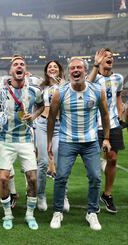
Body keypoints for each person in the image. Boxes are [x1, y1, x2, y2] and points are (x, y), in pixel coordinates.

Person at [48, 57, 111, 231]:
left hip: (90, 142)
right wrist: (48, 142)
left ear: (85, 70)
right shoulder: (60, 92)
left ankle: (92, 212)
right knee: (60, 177)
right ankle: (58, 211)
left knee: (96, 177)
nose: (76, 70)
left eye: (79, 68)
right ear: (69, 72)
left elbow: (105, 115)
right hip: (67, 141)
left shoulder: (97, 91)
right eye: (73, 68)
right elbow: (51, 118)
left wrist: (106, 138)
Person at [0, 55, 44, 230]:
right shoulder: (1, 90)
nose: (19, 66)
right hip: (5, 139)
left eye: (22, 64)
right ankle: (7, 214)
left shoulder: (34, 91)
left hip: (25, 140)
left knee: (32, 178)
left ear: (26, 70)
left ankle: (29, 215)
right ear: (10, 71)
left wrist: (35, 115)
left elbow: (41, 105)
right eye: (15, 64)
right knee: (3, 179)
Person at [90, 48, 125, 214]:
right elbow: (86, 85)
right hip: (93, 125)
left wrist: (120, 113)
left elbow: (118, 97)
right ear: (100, 60)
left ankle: (107, 194)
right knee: (93, 164)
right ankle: (94, 196)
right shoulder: (94, 78)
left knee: (112, 158)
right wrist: (95, 65)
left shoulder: (118, 78)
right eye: (106, 56)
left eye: (111, 56)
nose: (109, 58)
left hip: (113, 124)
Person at [34, 60, 68, 212]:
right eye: (49, 67)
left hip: (60, 126)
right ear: (46, 71)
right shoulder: (41, 87)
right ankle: (40, 195)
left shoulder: (67, 85)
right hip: (42, 126)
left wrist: (62, 85)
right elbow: (38, 106)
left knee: (61, 164)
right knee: (42, 162)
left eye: (55, 66)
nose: (52, 68)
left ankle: (62, 196)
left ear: (60, 70)